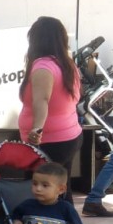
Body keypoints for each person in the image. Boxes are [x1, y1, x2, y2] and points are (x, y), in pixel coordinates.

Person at [18, 16, 82, 202]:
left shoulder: (43, 67)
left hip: (48, 142)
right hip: (68, 136)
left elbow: (42, 100)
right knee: (60, 190)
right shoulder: (67, 64)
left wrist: (37, 129)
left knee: (40, 192)